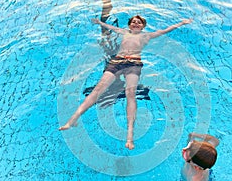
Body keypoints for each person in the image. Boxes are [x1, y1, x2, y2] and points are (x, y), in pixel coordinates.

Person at [59, 15, 192, 150]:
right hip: (117, 62)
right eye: (133, 22)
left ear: (143, 26)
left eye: (139, 22)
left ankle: (129, 136)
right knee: (98, 89)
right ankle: (73, 119)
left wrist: (181, 23)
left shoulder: (146, 36)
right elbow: (111, 28)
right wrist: (99, 22)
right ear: (129, 25)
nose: (135, 23)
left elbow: (165, 30)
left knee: (130, 93)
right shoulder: (124, 32)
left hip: (133, 64)